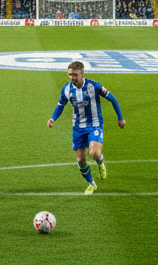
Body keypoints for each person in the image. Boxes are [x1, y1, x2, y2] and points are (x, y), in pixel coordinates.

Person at [47, 60, 125, 194]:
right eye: (70, 75)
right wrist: (52, 118)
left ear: (82, 73)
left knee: (94, 153)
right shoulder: (66, 89)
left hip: (94, 124)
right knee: (81, 161)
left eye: (75, 75)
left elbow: (113, 99)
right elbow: (60, 105)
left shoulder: (94, 86)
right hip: (77, 128)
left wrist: (120, 118)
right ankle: (92, 184)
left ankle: (100, 162)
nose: (72, 78)